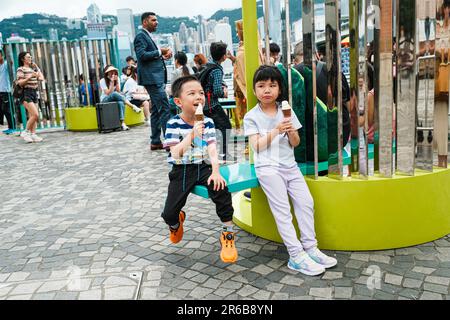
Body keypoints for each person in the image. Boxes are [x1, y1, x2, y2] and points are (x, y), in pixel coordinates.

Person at [243, 65, 337, 276]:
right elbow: (256, 146)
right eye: (261, 86)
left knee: (306, 202)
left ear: (279, 89)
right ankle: (296, 256)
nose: (267, 90)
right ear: (255, 89)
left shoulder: (286, 111)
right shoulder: (252, 116)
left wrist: (290, 129)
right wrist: (276, 130)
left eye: (272, 85)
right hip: (267, 167)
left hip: (290, 166)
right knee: (283, 211)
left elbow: (295, 142)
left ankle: (311, 248)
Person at [161, 75, 238, 263]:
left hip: (203, 166)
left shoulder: (208, 122)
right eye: (192, 93)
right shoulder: (173, 124)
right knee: (168, 213)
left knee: (220, 188)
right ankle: (176, 221)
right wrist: (192, 135)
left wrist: (216, 171)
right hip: (182, 170)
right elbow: (176, 154)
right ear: (178, 101)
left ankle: (227, 234)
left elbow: (212, 147)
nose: (199, 97)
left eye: (201, 93)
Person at [134, 12, 173, 151]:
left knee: (157, 110)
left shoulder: (147, 36)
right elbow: (142, 55)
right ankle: (170, 141)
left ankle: (156, 141)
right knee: (165, 108)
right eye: (153, 20)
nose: (156, 22)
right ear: (145, 22)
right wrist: (160, 52)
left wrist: (162, 55)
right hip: (152, 79)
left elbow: (151, 56)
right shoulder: (140, 36)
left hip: (155, 78)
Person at [202, 41, 235, 162]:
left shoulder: (208, 65)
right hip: (212, 105)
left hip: (204, 104)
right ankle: (224, 154)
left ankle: (213, 154)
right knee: (226, 126)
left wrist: (223, 84)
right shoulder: (217, 70)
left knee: (213, 129)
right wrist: (224, 93)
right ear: (223, 57)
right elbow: (216, 90)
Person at [99, 65, 142, 131]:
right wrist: (112, 82)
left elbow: (118, 91)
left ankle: (123, 123)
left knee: (121, 102)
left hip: (114, 98)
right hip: (105, 100)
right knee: (114, 94)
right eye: (110, 72)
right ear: (107, 73)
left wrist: (116, 82)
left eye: (114, 72)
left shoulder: (117, 78)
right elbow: (108, 93)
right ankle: (133, 106)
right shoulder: (102, 80)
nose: (112, 74)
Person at [16, 51, 45, 143]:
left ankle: (33, 134)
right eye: (28, 57)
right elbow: (20, 83)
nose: (30, 59)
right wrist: (30, 77)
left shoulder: (33, 68)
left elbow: (41, 78)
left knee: (34, 116)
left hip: (34, 92)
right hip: (26, 93)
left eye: (30, 57)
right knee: (35, 114)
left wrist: (37, 70)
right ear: (23, 59)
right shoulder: (21, 69)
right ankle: (26, 132)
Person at [0, 50, 14, 134]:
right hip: (0, 91)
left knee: (7, 110)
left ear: (2, 56)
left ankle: (12, 127)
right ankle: (10, 126)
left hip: (6, 91)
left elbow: (11, 63)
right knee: (3, 110)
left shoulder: (5, 64)